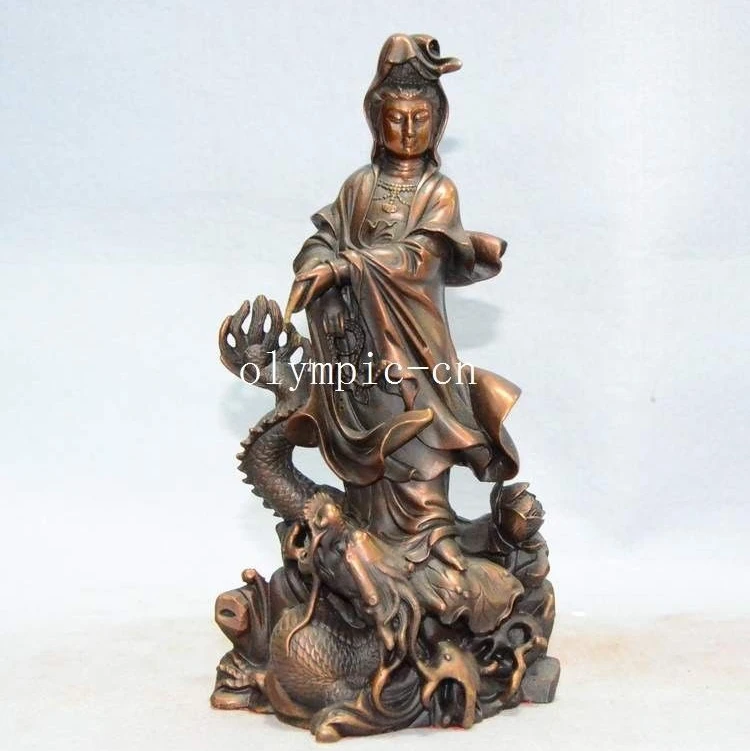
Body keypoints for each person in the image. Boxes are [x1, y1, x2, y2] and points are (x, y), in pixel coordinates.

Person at [284, 34, 521, 570]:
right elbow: (325, 238)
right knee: (370, 442)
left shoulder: (438, 191)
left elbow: (419, 258)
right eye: (396, 118)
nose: (408, 129)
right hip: (359, 346)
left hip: (414, 341)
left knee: (418, 436)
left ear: (437, 123)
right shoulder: (359, 187)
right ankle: (368, 547)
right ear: (376, 121)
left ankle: (433, 541)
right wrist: (315, 265)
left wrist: (346, 266)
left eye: (420, 118)